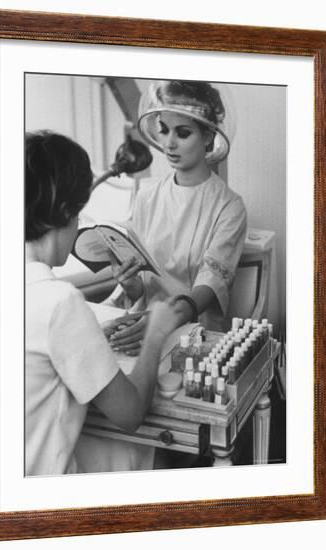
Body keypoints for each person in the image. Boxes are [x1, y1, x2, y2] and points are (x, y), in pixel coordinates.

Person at [25, 130, 181, 476]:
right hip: (41, 493)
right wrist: (155, 334)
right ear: (67, 213)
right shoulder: (59, 301)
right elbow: (129, 414)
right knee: (160, 456)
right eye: (79, 212)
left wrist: (92, 332)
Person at [108, 80, 247, 355]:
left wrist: (163, 322)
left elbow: (210, 284)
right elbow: (142, 286)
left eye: (183, 133)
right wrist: (130, 283)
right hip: (143, 327)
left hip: (194, 335)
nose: (169, 143)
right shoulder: (147, 197)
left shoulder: (230, 207)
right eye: (164, 130)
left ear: (208, 136)